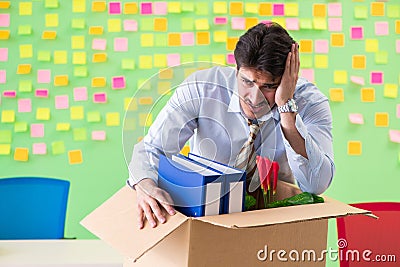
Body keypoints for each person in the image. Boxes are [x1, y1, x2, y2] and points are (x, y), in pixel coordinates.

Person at [127, 22, 335, 229]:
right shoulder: (202, 88)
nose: (255, 98)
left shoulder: (310, 103)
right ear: (236, 70)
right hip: (207, 218)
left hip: (273, 221)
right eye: (247, 82)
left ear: (289, 80)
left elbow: (316, 184)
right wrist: (144, 184)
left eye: (269, 86)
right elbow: (153, 148)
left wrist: (287, 109)